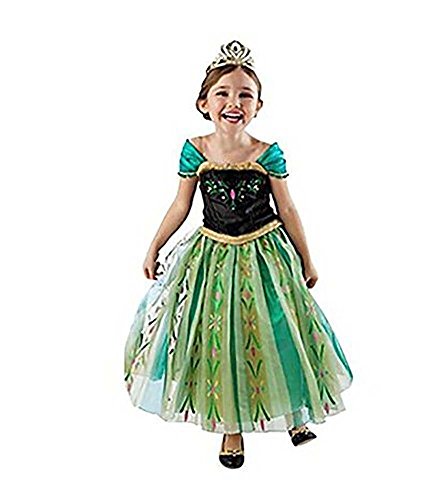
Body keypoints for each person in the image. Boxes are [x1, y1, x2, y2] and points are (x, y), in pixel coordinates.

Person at [124, 40, 353, 469]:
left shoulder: (267, 153)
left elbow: (287, 209)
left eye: (245, 95)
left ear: (258, 105)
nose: (234, 103)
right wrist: (155, 245)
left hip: (266, 254)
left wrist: (307, 258)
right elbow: (181, 205)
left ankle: (295, 411)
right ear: (204, 103)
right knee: (221, 337)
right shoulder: (196, 150)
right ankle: (231, 427)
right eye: (223, 93)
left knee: (280, 329)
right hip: (214, 255)